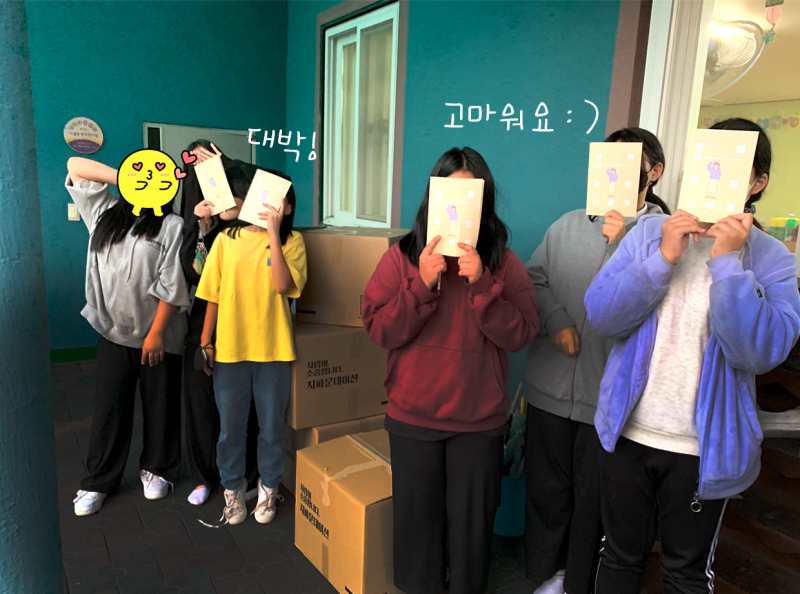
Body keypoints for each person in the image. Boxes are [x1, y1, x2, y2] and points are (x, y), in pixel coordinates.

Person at [585, 118, 800, 594]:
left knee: (685, 574)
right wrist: (662, 256)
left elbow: (761, 353)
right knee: (618, 557)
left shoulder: (770, 257)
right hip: (627, 433)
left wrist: (727, 263)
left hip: (703, 450)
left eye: (734, 164)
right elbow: (602, 316)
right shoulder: (649, 234)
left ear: (757, 182)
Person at [362, 147, 539, 594]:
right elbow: (379, 329)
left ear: (485, 204)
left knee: (471, 532)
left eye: (470, 197)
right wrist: (421, 284)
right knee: (416, 527)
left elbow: (521, 333)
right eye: (449, 195)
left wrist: (483, 285)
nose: (458, 209)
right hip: (412, 417)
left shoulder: (503, 263)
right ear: (432, 199)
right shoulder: (401, 258)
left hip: (478, 423)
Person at [524, 127, 669, 594]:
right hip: (548, 390)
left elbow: (653, 305)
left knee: (592, 501)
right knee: (546, 489)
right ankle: (544, 575)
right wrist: (556, 320)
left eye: (630, 162)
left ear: (653, 172)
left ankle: (577, 582)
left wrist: (625, 243)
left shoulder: (663, 236)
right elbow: (533, 280)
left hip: (608, 398)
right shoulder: (566, 225)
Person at [67, 156, 190, 517]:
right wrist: (126, 178)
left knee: (160, 405)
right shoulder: (104, 212)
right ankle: (99, 481)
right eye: (142, 176)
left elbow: (172, 282)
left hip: (160, 336)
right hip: (113, 332)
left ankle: (158, 469)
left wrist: (157, 333)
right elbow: (75, 165)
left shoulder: (172, 225)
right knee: (110, 407)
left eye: (157, 179)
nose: (148, 183)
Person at [196, 164, 306, 525]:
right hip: (230, 350)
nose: (268, 203)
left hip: (274, 350)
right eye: (263, 193)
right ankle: (232, 489)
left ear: (288, 208)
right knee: (231, 429)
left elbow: (283, 286)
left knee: (272, 428)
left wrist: (273, 233)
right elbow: (212, 294)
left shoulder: (293, 241)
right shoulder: (227, 240)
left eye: (278, 199)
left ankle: (268, 487)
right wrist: (205, 342)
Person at [179, 140, 261, 506]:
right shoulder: (198, 226)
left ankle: (248, 475)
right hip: (203, 328)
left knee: (246, 409)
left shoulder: (251, 226)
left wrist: (226, 166)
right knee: (201, 406)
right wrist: (202, 225)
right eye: (197, 167)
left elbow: (268, 185)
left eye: (210, 162)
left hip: (246, 329)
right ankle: (202, 478)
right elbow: (194, 273)